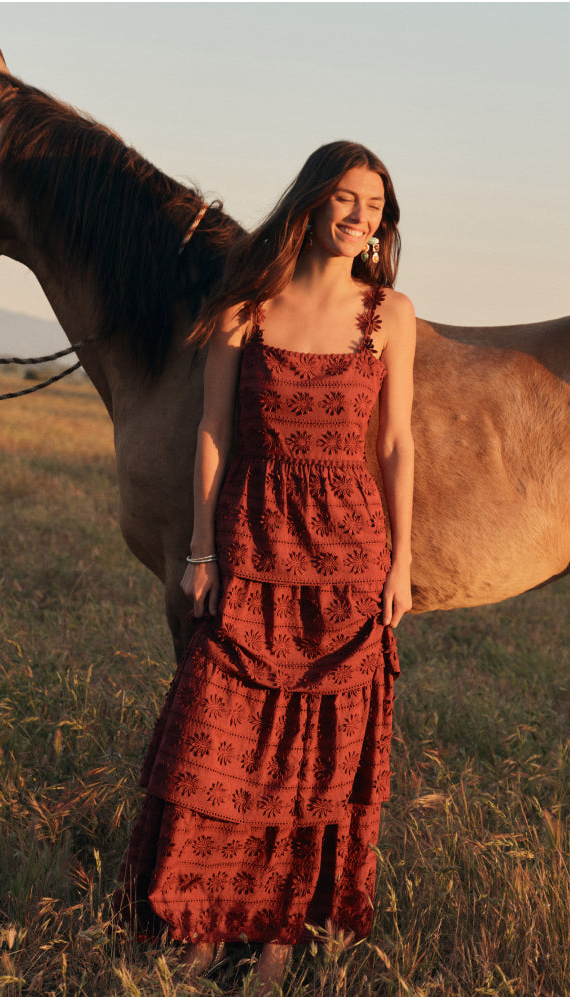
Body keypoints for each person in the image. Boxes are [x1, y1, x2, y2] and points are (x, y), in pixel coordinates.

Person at [115, 141, 415, 994]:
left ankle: (280, 933)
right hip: (252, 536)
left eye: (375, 206)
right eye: (347, 200)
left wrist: (402, 559)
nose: (362, 218)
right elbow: (212, 429)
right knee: (227, 737)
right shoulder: (247, 304)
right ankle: (205, 920)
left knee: (316, 753)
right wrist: (202, 546)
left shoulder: (389, 315)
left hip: (348, 548)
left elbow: (394, 443)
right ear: (313, 201)